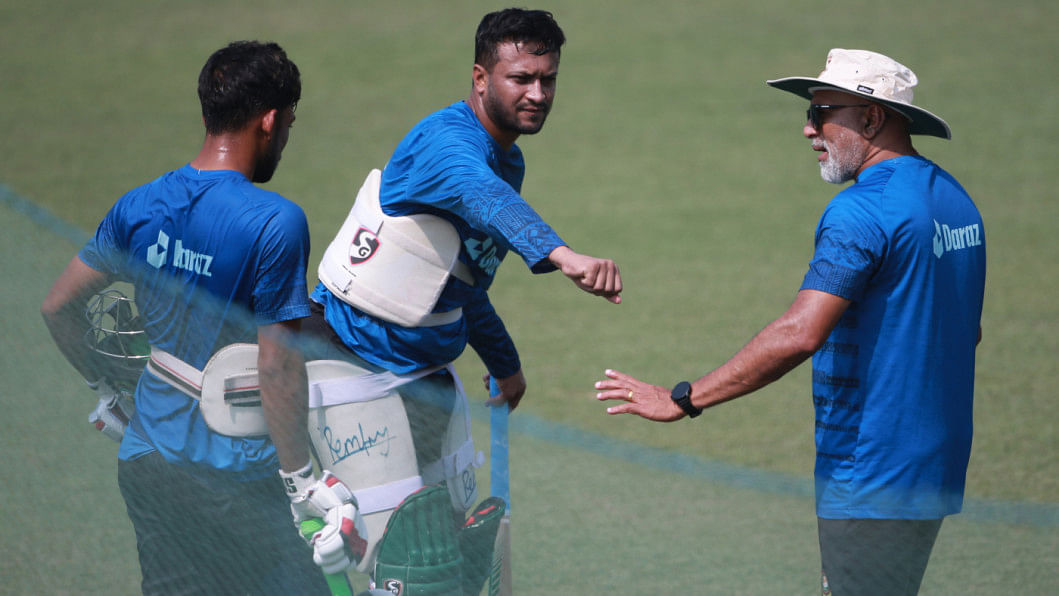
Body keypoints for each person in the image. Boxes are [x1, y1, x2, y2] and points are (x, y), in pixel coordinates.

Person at [595, 48, 985, 595]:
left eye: (821, 112)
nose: (808, 129)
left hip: (870, 471)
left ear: (872, 118)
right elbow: (966, 328)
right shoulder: (956, 200)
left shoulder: (861, 211)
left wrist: (683, 399)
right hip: (935, 464)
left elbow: (801, 333)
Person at [302, 8, 621, 592]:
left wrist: (505, 364)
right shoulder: (444, 144)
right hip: (352, 369)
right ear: (480, 78)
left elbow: (460, 284)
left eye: (547, 79)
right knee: (402, 568)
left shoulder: (508, 159)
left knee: (446, 558)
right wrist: (561, 254)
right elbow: (485, 198)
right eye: (520, 78)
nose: (538, 93)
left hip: (424, 380)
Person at [41, 41, 365, 595]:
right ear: (270, 121)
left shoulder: (138, 205)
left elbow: (58, 307)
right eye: (288, 124)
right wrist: (300, 483)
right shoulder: (274, 222)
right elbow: (277, 368)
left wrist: (106, 387)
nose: (285, 139)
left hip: (149, 464)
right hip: (240, 479)